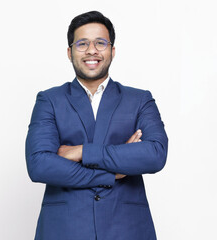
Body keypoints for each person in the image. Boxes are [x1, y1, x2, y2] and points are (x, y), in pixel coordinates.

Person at [25, 11, 168, 240]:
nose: (92, 50)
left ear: (112, 51)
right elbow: (39, 164)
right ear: (70, 52)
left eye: (100, 43)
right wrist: (112, 174)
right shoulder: (49, 100)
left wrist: (80, 151)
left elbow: (155, 154)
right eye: (82, 43)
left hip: (127, 228)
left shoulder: (140, 100)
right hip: (66, 229)